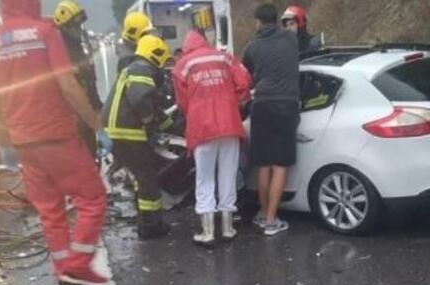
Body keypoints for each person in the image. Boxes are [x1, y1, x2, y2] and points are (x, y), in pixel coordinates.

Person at [0, 0, 111, 285]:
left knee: (50, 208)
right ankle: (77, 266)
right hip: (56, 133)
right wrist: (97, 125)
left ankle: (63, 272)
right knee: (92, 198)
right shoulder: (44, 32)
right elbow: (67, 85)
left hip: (23, 141)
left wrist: (4, 143)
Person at [172, 31, 251, 246]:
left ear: (187, 47)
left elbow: (182, 101)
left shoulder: (182, 64)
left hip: (202, 129)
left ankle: (208, 232)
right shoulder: (223, 57)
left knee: (204, 178)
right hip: (229, 125)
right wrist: (233, 102)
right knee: (228, 176)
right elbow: (244, 82)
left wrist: (195, 111)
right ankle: (228, 228)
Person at [102, 35, 174, 239]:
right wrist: (149, 120)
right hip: (128, 132)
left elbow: (150, 104)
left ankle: (144, 216)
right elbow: (141, 98)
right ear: (157, 55)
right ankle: (151, 226)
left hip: (116, 132)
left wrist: (168, 124)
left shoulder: (133, 68)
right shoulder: (143, 68)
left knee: (139, 175)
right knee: (147, 176)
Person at [243, 3, 300, 236]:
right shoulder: (290, 40)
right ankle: (271, 219)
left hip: (262, 105)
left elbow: (245, 71)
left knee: (263, 164)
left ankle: (263, 212)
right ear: (276, 20)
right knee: (281, 164)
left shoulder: (252, 46)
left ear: (258, 22)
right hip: (286, 106)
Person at [53, 0, 103, 157]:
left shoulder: (80, 46)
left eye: (79, 24)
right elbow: (69, 87)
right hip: (73, 120)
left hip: (86, 114)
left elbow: (90, 80)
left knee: (92, 157)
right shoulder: (60, 51)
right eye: (74, 25)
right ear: (65, 27)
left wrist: (97, 107)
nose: (79, 29)